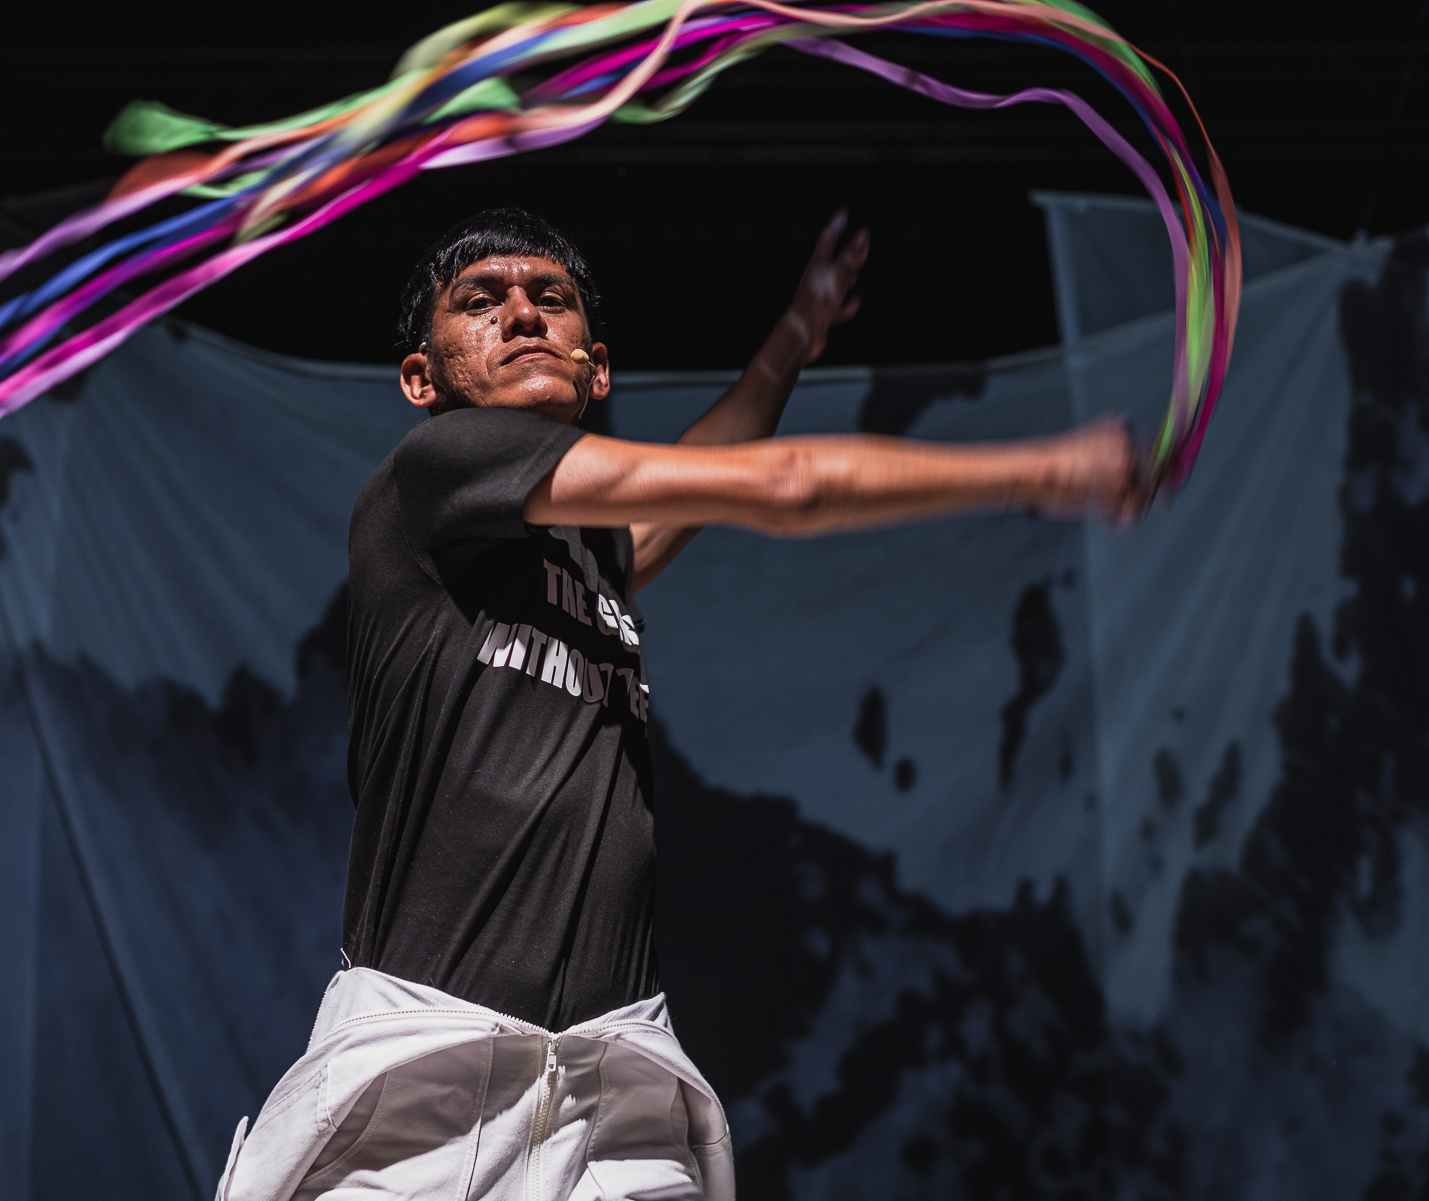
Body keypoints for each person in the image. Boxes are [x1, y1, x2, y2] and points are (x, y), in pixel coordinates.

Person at [215, 208, 1142, 1201]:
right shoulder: (434, 473)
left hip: (612, 1089)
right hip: (429, 1079)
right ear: (421, 379)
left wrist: (796, 337)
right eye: (481, 302)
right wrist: (1047, 469)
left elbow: (703, 474)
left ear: (598, 367)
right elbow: (784, 486)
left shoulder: (591, 555)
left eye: (551, 299)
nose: (522, 315)